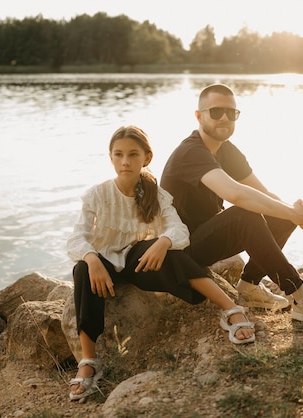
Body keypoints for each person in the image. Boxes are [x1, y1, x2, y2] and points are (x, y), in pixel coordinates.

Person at [66, 125, 256, 401]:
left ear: (147, 157)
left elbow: (179, 231)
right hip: (103, 266)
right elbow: (76, 238)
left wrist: (163, 242)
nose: (125, 161)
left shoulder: (157, 194)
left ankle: (231, 309)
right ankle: (89, 362)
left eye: (133, 154)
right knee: (81, 269)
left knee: (172, 254)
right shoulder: (98, 194)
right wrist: (91, 257)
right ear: (110, 158)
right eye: (118, 155)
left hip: (139, 264)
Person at [160, 83, 303, 329]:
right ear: (199, 116)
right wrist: (290, 212)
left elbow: (261, 193)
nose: (224, 117)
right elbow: (236, 194)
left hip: (206, 237)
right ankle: (300, 295)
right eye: (216, 112)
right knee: (247, 213)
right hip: (180, 248)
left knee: (277, 210)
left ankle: (250, 287)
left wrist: (294, 213)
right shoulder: (191, 152)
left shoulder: (226, 150)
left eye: (231, 113)